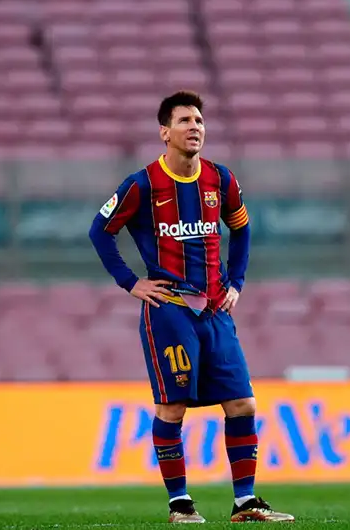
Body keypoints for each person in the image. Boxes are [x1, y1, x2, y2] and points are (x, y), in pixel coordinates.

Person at [89, 90, 294, 524]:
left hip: (216, 310)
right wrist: (131, 283)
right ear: (164, 132)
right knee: (172, 408)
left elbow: (242, 229)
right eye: (184, 121)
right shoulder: (142, 184)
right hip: (169, 310)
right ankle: (180, 503)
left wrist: (236, 281)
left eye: (199, 120)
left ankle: (245, 502)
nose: (195, 127)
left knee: (243, 404)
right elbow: (99, 231)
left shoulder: (220, 179)